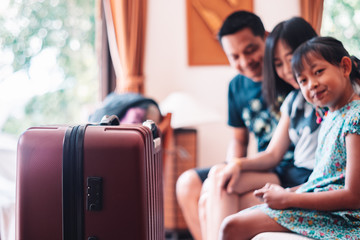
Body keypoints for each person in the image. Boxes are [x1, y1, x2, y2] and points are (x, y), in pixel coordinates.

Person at [219, 36, 360, 240]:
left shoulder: (355, 117)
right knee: (235, 221)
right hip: (329, 211)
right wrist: (285, 192)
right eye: (303, 80)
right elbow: (322, 181)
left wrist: (288, 199)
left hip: (345, 218)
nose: (311, 84)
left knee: (232, 226)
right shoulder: (332, 116)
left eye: (318, 72)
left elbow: (354, 197)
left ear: (345, 67)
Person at [176, 11, 296, 240]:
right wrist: (233, 164)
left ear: (267, 38)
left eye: (250, 50)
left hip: (284, 167)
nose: (245, 61)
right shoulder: (236, 87)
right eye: (235, 56)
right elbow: (239, 140)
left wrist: (235, 167)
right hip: (260, 165)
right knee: (188, 183)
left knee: (212, 193)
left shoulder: (288, 74)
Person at [199, 17, 320, 240]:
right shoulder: (294, 100)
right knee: (218, 177)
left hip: (299, 179)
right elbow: (271, 153)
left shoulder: (324, 94)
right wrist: (236, 163)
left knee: (213, 200)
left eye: (290, 59)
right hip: (281, 172)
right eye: (278, 64)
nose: (287, 70)